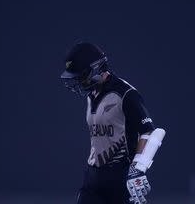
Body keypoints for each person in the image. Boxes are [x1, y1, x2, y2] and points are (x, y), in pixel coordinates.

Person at [60, 42, 166, 204]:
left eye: (81, 76)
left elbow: (150, 131)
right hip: (93, 179)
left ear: (96, 69)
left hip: (121, 179)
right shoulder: (92, 95)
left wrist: (138, 169)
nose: (78, 81)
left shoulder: (126, 94)